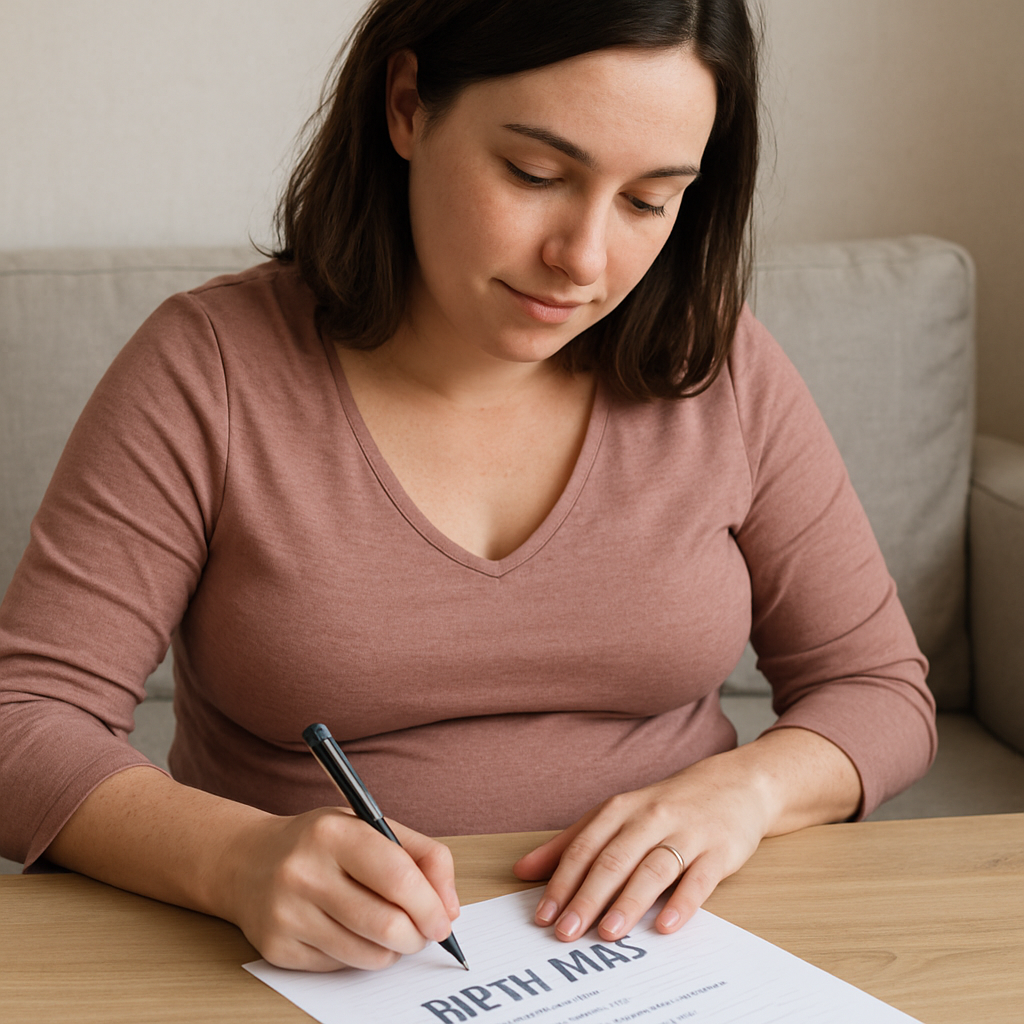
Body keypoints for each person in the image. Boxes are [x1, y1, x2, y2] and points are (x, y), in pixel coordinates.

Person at [0, 0, 936, 974]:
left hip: (670, 954)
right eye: (534, 174)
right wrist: (234, 860)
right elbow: (23, 716)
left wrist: (743, 793)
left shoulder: (719, 361)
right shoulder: (209, 369)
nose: (582, 257)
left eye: (649, 200)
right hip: (323, 971)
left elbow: (876, 688)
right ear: (407, 106)